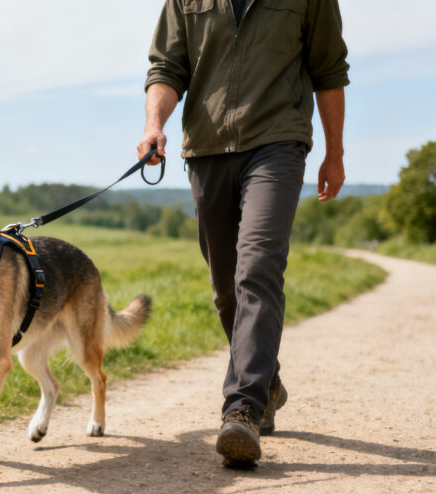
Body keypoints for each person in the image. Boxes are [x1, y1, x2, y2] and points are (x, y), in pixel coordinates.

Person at [137, 0, 349, 467]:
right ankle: (266, 380)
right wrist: (155, 125)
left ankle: (243, 409)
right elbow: (168, 67)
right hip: (207, 148)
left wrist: (334, 152)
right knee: (227, 288)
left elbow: (329, 69)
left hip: (277, 143)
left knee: (258, 266)